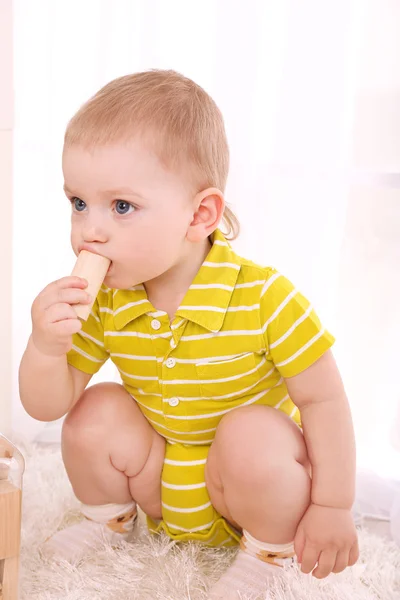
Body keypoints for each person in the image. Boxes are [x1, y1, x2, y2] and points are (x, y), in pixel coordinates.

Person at [19, 69, 359, 599]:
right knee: (94, 410)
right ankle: (108, 519)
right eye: (78, 203)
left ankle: (267, 552)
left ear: (200, 214)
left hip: (245, 491)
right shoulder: (107, 300)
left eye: (122, 206)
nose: (90, 229)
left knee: (253, 433)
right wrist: (45, 346)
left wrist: (332, 505)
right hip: (162, 480)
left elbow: (325, 400)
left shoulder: (264, 296)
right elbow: (47, 405)